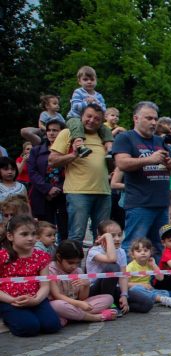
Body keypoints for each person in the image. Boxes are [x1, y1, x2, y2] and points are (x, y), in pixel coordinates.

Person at [113, 101, 171, 255]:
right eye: (149, 118)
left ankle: (155, 272)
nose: (154, 123)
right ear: (136, 118)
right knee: (135, 246)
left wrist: (170, 162)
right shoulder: (125, 137)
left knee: (159, 246)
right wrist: (150, 159)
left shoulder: (159, 140)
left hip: (162, 203)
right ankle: (130, 272)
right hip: (140, 204)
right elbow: (121, 163)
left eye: (155, 119)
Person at [48, 104, 112, 245]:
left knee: (103, 237)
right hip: (78, 192)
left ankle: (96, 260)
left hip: (104, 192)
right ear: (81, 116)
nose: (92, 120)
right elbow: (52, 161)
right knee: (76, 236)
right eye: (88, 116)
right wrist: (74, 155)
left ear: (102, 121)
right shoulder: (68, 132)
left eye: (97, 118)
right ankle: (73, 260)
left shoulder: (103, 136)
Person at [0, 215, 62, 336]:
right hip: (9, 300)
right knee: (29, 328)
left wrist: (36, 300)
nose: (30, 238)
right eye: (24, 234)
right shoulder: (2, 256)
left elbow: (45, 285)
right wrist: (12, 300)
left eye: (33, 234)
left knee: (52, 325)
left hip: (35, 298)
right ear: (10, 236)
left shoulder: (41, 256)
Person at [85, 220, 150, 314]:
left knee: (146, 303)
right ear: (101, 238)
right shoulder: (94, 251)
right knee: (113, 267)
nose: (117, 239)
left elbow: (123, 276)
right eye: (112, 236)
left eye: (119, 235)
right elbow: (112, 259)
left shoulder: (121, 252)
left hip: (112, 288)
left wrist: (124, 295)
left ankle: (117, 305)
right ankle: (108, 304)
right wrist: (107, 238)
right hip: (95, 289)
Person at [48, 240, 117, 325]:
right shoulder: (51, 270)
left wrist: (86, 285)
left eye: (77, 263)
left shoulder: (78, 271)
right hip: (62, 303)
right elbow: (57, 296)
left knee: (109, 298)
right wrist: (79, 303)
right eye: (70, 263)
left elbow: (82, 297)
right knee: (57, 305)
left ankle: (71, 316)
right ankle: (95, 317)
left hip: (75, 305)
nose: (74, 266)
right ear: (59, 257)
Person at [27, 119, 68, 238]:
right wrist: (48, 189)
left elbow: (72, 173)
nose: (51, 133)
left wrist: (58, 188)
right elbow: (32, 172)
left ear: (63, 133)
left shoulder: (68, 150)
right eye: (49, 130)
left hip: (63, 194)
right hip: (41, 194)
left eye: (55, 130)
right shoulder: (37, 150)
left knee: (64, 230)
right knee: (43, 230)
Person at [65, 66, 113, 158]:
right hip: (75, 117)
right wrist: (87, 102)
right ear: (79, 81)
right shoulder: (78, 92)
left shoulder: (99, 96)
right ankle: (80, 147)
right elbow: (75, 106)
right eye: (85, 79)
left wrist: (96, 102)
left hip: (92, 120)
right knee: (77, 125)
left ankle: (110, 149)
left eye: (92, 79)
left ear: (96, 80)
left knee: (105, 128)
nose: (89, 82)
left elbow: (103, 111)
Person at [125, 238, 171, 309]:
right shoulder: (130, 267)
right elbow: (125, 284)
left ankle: (154, 297)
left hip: (148, 290)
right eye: (139, 251)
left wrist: (154, 265)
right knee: (136, 289)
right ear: (133, 255)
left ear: (150, 252)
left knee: (164, 292)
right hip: (135, 290)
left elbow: (160, 278)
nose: (143, 253)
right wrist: (142, 285)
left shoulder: (150, 263)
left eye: (146, 250)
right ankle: (161, 299)